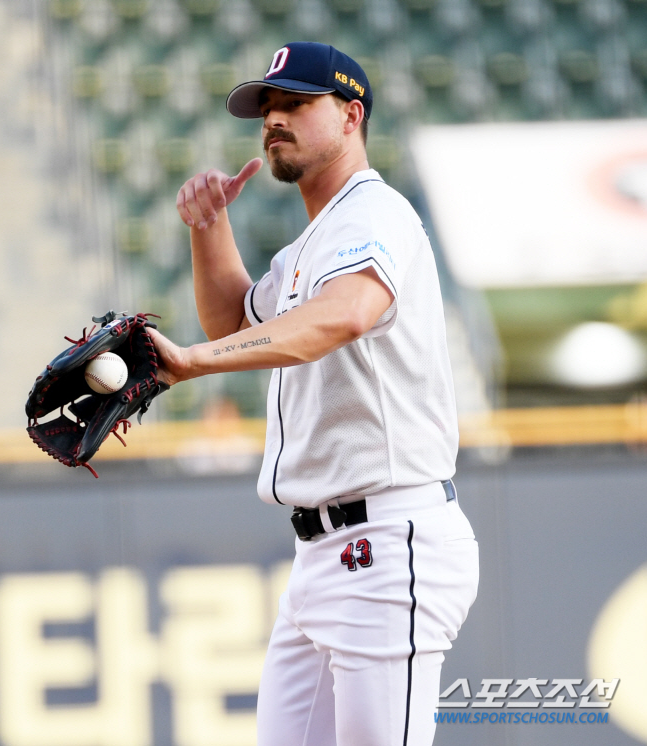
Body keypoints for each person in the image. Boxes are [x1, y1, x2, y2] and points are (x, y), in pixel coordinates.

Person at [149, 41, 479, 746]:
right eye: (268, 108)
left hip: (388, 544)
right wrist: (210, 229)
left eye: (296, 103)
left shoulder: (376, 214)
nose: (275, 119)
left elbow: (343, 315)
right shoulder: (309, 247)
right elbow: (238, 321)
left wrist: (196, 363)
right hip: (322, 559)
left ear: (351, 114)